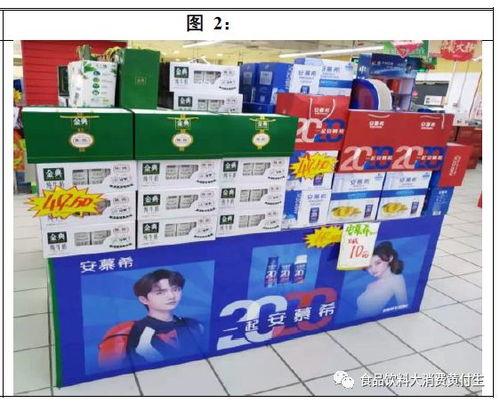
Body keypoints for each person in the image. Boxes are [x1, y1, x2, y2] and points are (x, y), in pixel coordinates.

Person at [98, 269, 203, 368]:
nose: (171, 296)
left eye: (175, 289)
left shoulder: (194, 325)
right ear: (144, 299)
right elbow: (110, 368)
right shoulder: (129, 332)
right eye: (160, 292)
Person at [356, 241, 408, 318]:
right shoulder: (371, 285)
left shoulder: (396, 279)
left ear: (390, 258)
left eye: (378, 263)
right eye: (369, 266)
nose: (373, 269)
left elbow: (403, 307)